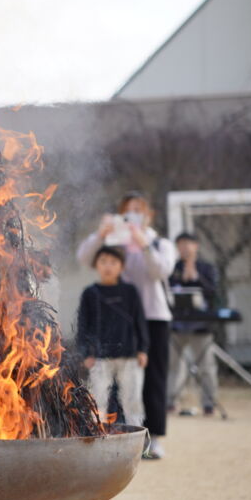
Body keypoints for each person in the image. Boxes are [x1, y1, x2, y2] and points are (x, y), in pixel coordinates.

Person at [77, 192, 176, 460]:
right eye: (127, 212)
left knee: (153, 380)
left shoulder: (160, 243)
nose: (132, 216)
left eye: (138, 211)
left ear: (148, 215)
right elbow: (86, 258)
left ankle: (152, 438)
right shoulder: (114, 243)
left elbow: (161, 271)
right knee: (114, 385)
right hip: (117, 321)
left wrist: (143, 243)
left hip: (153, 317)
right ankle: (115, 435)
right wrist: (101, 234)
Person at [76, 246, 149, 428]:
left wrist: (143, 349)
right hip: (100, 357)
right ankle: (96, 435)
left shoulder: (130, 292)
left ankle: (137, 438)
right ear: (96, 265)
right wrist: (86, 354)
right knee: (97, 399)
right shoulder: (90, 293)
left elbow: (140, 321)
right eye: (103, 262)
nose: (108, 266)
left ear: (122, 267)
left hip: (129, 355)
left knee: (132, 400)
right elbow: (83, 326)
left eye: (113, 262)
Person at [168, 232, 220, 416]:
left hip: (201, 325)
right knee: (174, 365)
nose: (184, 248)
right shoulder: (172, 268)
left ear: (196, 245)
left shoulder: (207, 268)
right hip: (177, 325)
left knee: (206, 366)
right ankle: (171, 402)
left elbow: (213, 290)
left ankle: (209, 403)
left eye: (187, 244)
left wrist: (195, 274)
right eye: (180, 244)